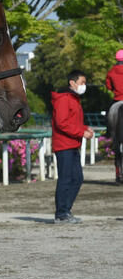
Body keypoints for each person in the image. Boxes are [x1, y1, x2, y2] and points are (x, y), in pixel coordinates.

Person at [51, 69, 94, 223]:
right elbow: (61, 123)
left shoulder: (74, 98)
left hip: (72, 144)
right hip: (64, 145)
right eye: (82, 82)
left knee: (77, 178)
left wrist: (84, 129)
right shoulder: (64, 99)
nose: (84, 85)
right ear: (72, 83)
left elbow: (72, 122)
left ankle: (65, 211)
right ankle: (61, 214)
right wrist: (81, 133)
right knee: (66, 179)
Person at [105, 48, 123, 183]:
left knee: (109, 113)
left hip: (117, 99)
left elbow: (108, 86)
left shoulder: (111, 71)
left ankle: (108, 131)